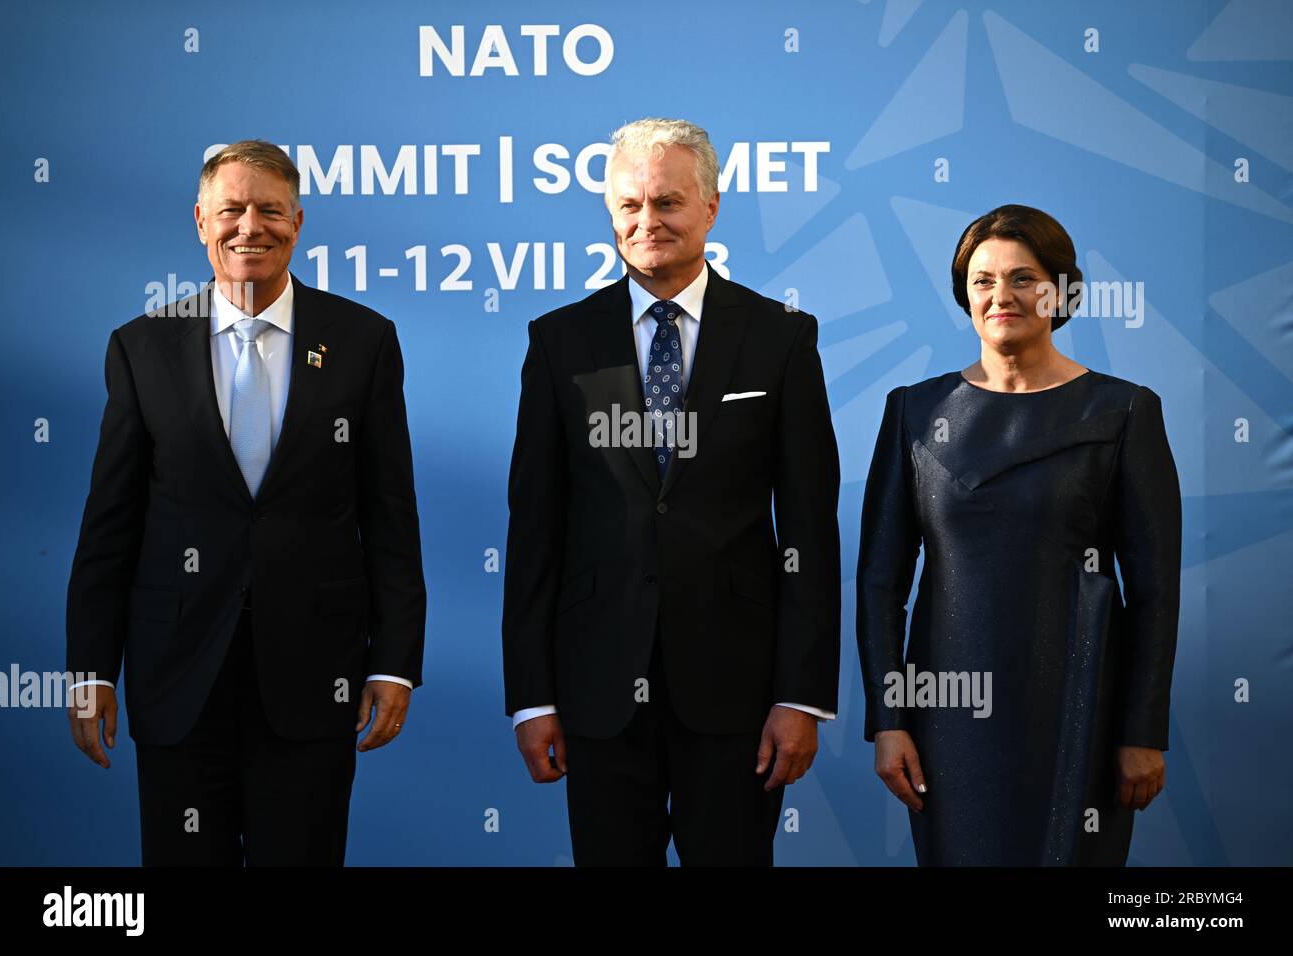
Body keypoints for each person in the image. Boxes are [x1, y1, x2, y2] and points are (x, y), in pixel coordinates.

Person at [65, 140, 427, 866]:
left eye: (269, 210)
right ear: (201, 221)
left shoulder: (363, 342)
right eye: (231, 210)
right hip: (178, 678)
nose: (249, 227)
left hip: (313, 674)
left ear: (299, 220)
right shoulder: (142, 349)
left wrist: (394, 662)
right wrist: (91, 670)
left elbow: (390, 516)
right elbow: (111, 525)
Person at [502, 118, 840, 865]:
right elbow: (534, 530)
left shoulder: (781, 336)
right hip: (595, 689)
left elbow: (810, 530)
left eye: (667, 203)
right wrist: (533, 696)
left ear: (711, 207)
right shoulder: (559, 342)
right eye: (629, 206)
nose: (646, 222)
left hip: (738, 692)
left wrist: (801, 695)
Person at [857, 203, 1181, 865]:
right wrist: (889, 722)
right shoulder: (913, 414)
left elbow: (1153, 591)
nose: (1002, 296)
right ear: (964, 294)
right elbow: (879, 584)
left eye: (1024, 278)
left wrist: (1142, 730)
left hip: (1081, 708)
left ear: (1060, 290)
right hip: (947, 717)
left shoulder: (1123, 411)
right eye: (983, 280)